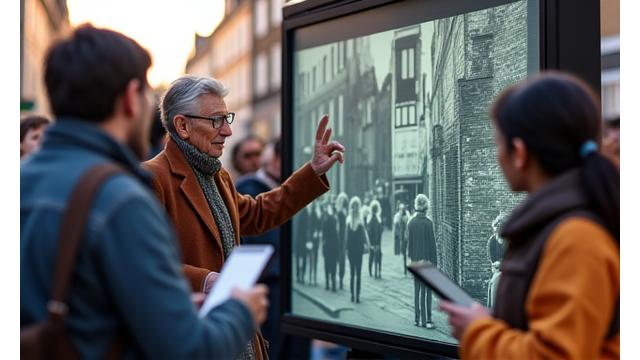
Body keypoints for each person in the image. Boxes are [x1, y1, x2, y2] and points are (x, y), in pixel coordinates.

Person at [21, 25, 268, 359]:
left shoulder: (21, 181)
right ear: (130, 98)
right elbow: (188, 350)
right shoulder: (119, 200)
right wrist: (239, 311)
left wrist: (163, 308)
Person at [143, 75, 345, 359]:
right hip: (195, 339)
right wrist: (203, 280)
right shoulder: (153, 178)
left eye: (227, 118)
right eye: (216, 120)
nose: (227, 131)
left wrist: (312, 172)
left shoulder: (217, 175)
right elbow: (142, 266)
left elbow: (258, 213)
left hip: (236, 336)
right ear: (182, 126)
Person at [439, 72, 619, 359]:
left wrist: (478, 332)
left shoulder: (576, 238)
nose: (498, 156)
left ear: (519, 153)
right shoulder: (560, 224)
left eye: (498, 144)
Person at [236, 138, 311, 360]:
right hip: (269, 293)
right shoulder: (248, 190)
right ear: (277, 160)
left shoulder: (285, 192)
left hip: (294, 291)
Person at [406, 194, 438, 329]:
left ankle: (417, 319)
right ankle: (428, 319)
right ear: (426, 206)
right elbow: (432, 246)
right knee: (427, 291)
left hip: (415, 261)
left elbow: (410, 247)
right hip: (427, 262)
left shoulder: (411, 223)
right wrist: (434, 263)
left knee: (417, 290)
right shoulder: (429, 223)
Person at [346, 196, 370, 303]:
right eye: (353, 206)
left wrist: (365, 245)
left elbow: (363, 236)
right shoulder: (349, 220)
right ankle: (352, 295)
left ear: (358, 206)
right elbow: (346, 237)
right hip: (351, 250)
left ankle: (358, 296)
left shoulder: (360, 221)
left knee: (359, 274)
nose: (355, 207)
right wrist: (346, 249)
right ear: (351, 206)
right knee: (352, 274)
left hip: (359, 250)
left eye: (356, 205)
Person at [486, 213, 507, 308]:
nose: (496, 234)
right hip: (498, 271)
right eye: (495, 231)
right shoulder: (492, 241)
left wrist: (501, 263)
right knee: (495, 281)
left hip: (511, 272)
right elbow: (493, 263)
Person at [321, 200, 339, 292]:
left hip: (328, 246)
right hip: (332, 246)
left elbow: (323, 236)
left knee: (328, 265)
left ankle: (329, 283)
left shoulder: (326, 220)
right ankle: (332, 284)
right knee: (332, 266)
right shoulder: (332, 220)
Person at [335, 192, 349, 290]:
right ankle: (335, 278)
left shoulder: (346, 212)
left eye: (344, 200)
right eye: (341, 200)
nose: (342, 202)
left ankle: (341, 279)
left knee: (342, 260)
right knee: (336, 259)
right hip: (337, 238)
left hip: (344, 238)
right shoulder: (337, 212)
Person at [367, 200, 384, 278]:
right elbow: (379, 230)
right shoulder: (376, 218)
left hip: (373, 240)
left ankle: (372, 271)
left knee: (372, 256)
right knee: (377, 256)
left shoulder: (370, 218)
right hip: (376, 240)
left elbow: (369, 231)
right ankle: (377, 271)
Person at [393, 202, 410, 274]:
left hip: (406, 235)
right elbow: (396, 226)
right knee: (402, 250)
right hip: (401, 236)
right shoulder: (397, 216)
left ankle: (406, 264)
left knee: (406, 250)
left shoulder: (407, 215)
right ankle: (404, 264)